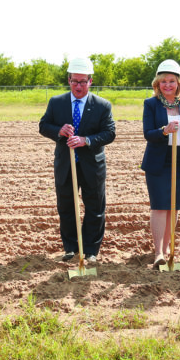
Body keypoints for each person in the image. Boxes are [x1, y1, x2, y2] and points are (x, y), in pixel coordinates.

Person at [38, 57, 116, 263]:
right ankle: (71, 248)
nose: (78, 86)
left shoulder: (102, 105)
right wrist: (59, 130)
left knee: (95, 208)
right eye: (74, 81)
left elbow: (109, 133)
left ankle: (90, 250)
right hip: (65, 165)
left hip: (92, 166)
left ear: (90, 81)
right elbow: (43, 126)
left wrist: (86, 140)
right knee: (67, 206)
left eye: (82, 82)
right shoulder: (57, 103)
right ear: (68, 80)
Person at [141, 59, 180, 267]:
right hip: (159, 160)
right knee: (160, 206)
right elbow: (148, 133)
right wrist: (164, 131)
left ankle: (168, 248)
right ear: (157, 84)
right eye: (164, 81)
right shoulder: (151, 104)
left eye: (172, 81)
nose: (168, 85)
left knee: (174, 207)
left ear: (178, 83)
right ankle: (158, 252)